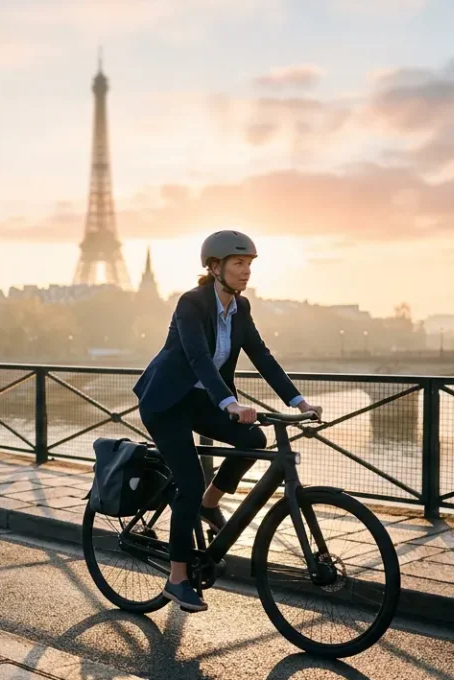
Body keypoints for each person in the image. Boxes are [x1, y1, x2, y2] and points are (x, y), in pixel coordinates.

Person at [132, 230, 322, 613]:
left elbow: (262, 356)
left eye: (249, 264)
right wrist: (229, 403)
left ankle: (209, 503)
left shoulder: (241, 309)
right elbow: (199, 357)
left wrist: (299, 401)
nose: (245, 271)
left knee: (253, 441)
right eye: (238, 263)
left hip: (201, 400)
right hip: (166, 402)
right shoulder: (191, 303)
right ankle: (177, 579)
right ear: (214, 267)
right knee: (186, 480)